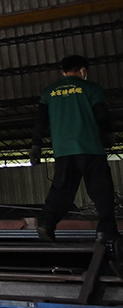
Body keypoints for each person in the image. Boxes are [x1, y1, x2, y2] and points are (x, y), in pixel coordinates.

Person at [32, 55, 118, 242]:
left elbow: (41, 120)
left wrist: (36, 144)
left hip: (63, 151)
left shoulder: (49, 92)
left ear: (63, 72)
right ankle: (105, 231)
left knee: (61, 190)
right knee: (101, 190)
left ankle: (46, 223)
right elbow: (101, 115)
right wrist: (108, 134)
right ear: (83, 70)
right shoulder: (91, 88)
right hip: (90, 148)